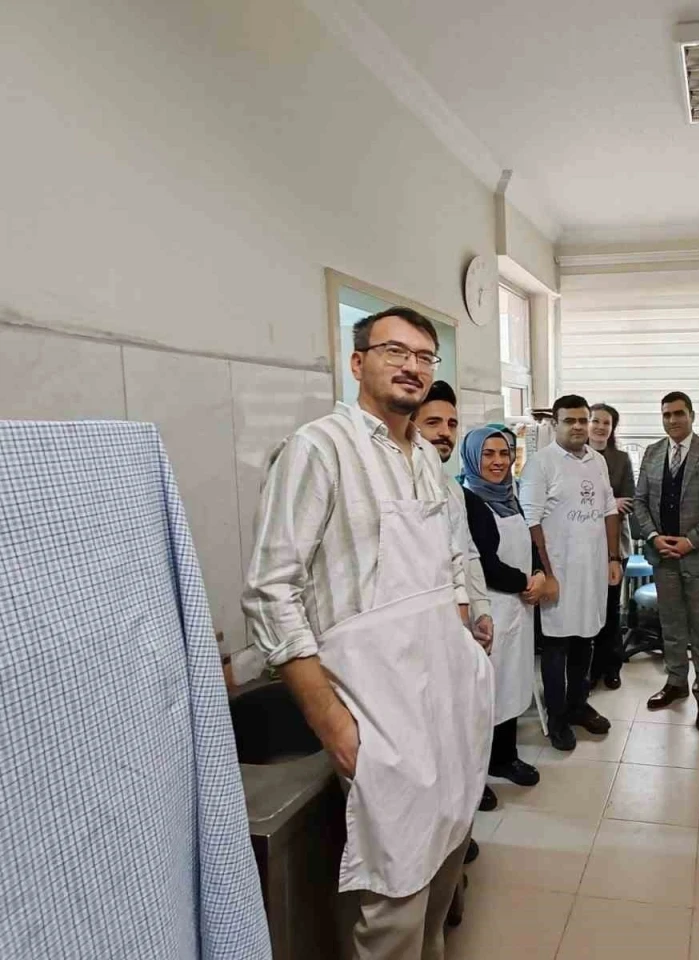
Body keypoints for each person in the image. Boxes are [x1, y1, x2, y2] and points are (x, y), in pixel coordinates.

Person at [243, 306, 492, 960]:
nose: (412, 366)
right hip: (377, 710)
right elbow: (271, 592)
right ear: (358, 363)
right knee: (394, 902)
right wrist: (333, 724)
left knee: (441, 874)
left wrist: (463, 653)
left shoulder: (425, 457)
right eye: (394, 351)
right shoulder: (319, 448)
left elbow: (447, 569)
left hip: (443, 701)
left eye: (424, 356)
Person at [414, 382, 500, 821]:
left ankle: (457, 814)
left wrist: (481, 611)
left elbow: (468, 555)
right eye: (433, 422)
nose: (444, 432)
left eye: (451, 423)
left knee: (456, 724)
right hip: (419, 637)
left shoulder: (451, 489)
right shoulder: (402, 485)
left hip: (457, 629)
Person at [520, 394, 623, 752]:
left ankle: (579, 705)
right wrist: (546, 574)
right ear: (555, 424)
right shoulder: (541, 464)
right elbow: (531, 521)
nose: (578, 427)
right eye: (570, 420)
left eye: (583, 420)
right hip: (559, 572)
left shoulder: (597, 460)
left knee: (585, 639)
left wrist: (613, 558)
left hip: (591, 570)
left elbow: (609, 509)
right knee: (557, 644)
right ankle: (558, 717)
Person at [633, 391, 699, 733]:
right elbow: (640, 501)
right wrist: (652, 537)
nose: (672, 420)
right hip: (663, 556)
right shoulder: (652, 452)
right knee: (671, 625)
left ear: (691, 415)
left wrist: (691, 541)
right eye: (666, 414)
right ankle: (676, 682)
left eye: (678, 413)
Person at [459, 426, 544, 790]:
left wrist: (539, 573)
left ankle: (505, 758)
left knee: (510, 683)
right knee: (484, 692)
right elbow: (484, 564)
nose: (498, 462)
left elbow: (530, 545)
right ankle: (476, 775)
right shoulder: (468, 501)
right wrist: (527, 582)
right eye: (488, 454)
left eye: (504, 453)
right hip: (489, 610)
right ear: (472, 458)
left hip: (518, 609)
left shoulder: (510, 495)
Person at [586, 402, 636, 690]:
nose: (600, 427)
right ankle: (590, 668)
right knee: (588, 607)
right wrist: (608, 504)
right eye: (596, 421)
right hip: (583, 544)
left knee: (610, 608)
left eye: (606, 422)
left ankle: (611, 666)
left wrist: (610, 505)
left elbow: (628, 501)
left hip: (616, 544)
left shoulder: (620, 459)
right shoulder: (576, 456)